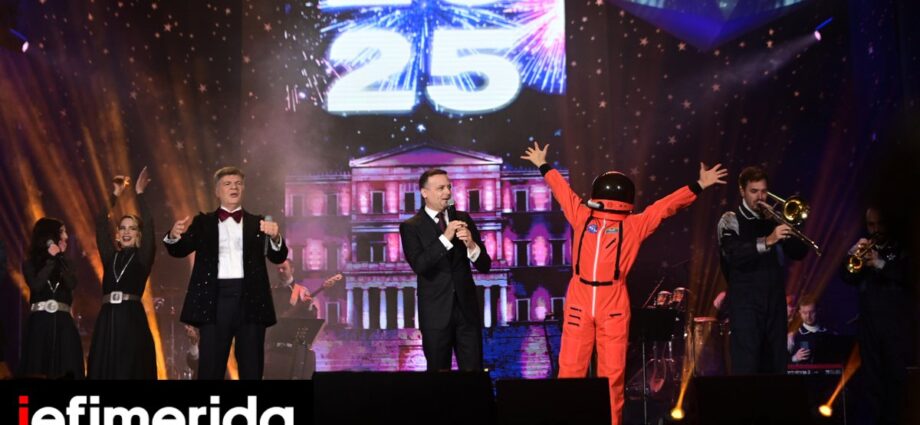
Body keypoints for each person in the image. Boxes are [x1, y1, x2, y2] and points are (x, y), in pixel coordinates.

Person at [521, 142, 727, 425]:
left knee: (607, 376)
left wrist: (697, 186)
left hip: (611, 302)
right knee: (575, 372)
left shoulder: (623, 224)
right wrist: (697, 186)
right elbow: (662, 208)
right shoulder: (590, 217)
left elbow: (663, 208)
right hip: (584, 298)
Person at [164, 166, 288, 379]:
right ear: (217, 191)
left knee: (252, 367)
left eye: (238, 183)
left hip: (250, 300)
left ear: (243, 189)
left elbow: (278, 257)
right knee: (210, 367)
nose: (234, 187)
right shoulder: (203, 223)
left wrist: (276, 237)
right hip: (214, 299)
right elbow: (179, 250)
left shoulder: (258, 223)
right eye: (228, 184)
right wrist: (174, 236)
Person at [718, 166, 809, 375]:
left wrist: (785, 223)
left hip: (774, 303)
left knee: (776, 367)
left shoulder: (771, 219)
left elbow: (800, 252)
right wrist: (768, 240)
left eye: (764, 191)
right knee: (747, 368)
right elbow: (732, 254)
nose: (760, 197)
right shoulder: (730, 219)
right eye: (754, 191)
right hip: (745, 304)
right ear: (742, 191)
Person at [399, 168, 491, 371]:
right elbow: (420, 264)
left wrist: (471, 245)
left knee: (473, 374)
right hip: (435, 314)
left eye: (449, 187)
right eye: (440, 188)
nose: (447, 192)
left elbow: (485, 265)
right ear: (424, 193)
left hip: (467, 312)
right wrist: (445, 238)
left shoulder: (463, 218)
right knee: (439, 375)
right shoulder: (411, 226)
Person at [841, 207, 912, 425]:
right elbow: (847, 277)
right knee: (871, 382)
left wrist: (879, 263)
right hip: (869, 325)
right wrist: (851, 255)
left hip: (895, 326)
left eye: (880, 224)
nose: (876, 230)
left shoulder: (901, 248)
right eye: (871, 225)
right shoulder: (863, 248)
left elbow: (907, 276)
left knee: (895, 380)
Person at [87, 168, 158, 379]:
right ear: (117, 235)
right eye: (123, 228)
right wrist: (115, 194)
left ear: (138, 235)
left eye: (132, 228)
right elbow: (101, 223)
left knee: (129, 368)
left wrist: (139, 194)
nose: (127, 231)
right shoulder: (110, 257)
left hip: (131, 317)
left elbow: (150, 226)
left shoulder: (142, 257)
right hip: (107, 317)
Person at [19, 218, 85, 379]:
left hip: (64, 325)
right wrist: (50, 260)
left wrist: (59, 259)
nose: (66, 236)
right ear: (50, 237)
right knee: (37, 367)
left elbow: (71, 283)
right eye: (62, 232)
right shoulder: (29, 264)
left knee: (67, 366)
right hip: (39, 324)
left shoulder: (67, 263)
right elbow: (36, 285)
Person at [787, 299, 832, 364]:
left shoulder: (830, 333)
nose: (808, 316)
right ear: (800, 313)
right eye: (804, 313)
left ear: (818, 310)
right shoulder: (792, 336)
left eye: (812, 312)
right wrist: (794, 358)